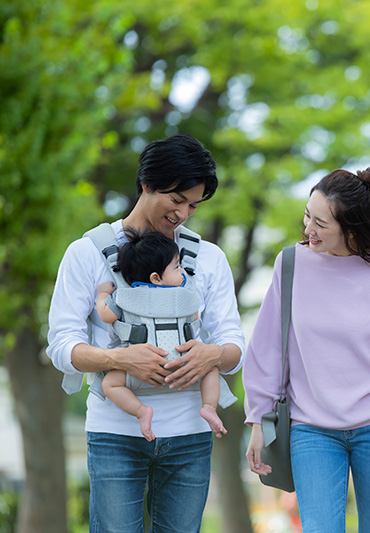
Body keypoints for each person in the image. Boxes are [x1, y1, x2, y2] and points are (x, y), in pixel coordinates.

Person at [46, 134, 245, 532]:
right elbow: (61, 345)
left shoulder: (208, 258)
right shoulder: (86, 253)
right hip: (115, 431)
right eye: (176, 200)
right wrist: (117, 358)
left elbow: (234, 342)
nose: (184, 213)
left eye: (193, 204)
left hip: (191, 432)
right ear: (147, 184)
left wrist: (213, 355)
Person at [243, 167, 370, 532]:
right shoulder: (290, 265)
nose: (307, 229)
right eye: (307, 215)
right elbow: (268, 347)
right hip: (311, 429)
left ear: (351, 229)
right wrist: (258, 418)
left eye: (320, 223)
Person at [95, 227, 227, 441]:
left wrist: (103, 294)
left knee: (109, 384)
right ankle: (209, 407)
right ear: (156, 278)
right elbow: (193, 318)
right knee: (210, 367)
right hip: (183, 365)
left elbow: (106, 315)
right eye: (176, 267)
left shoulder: (126, 296)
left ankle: (140, 411)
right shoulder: (184, 295)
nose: (182, 272)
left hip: (140, 367)